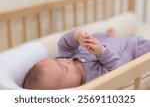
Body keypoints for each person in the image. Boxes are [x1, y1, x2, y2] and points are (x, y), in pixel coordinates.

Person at [22, 29, 150, 90]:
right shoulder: (94, 80)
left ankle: (111, 36)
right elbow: (119, 70)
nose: (65, 60)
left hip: (108, 41)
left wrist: (77, 35)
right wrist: (102, 53)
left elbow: (64, 44)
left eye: (56, 60)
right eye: (65, 68)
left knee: (98, 37)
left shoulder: (68, 57)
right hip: (134, 49)